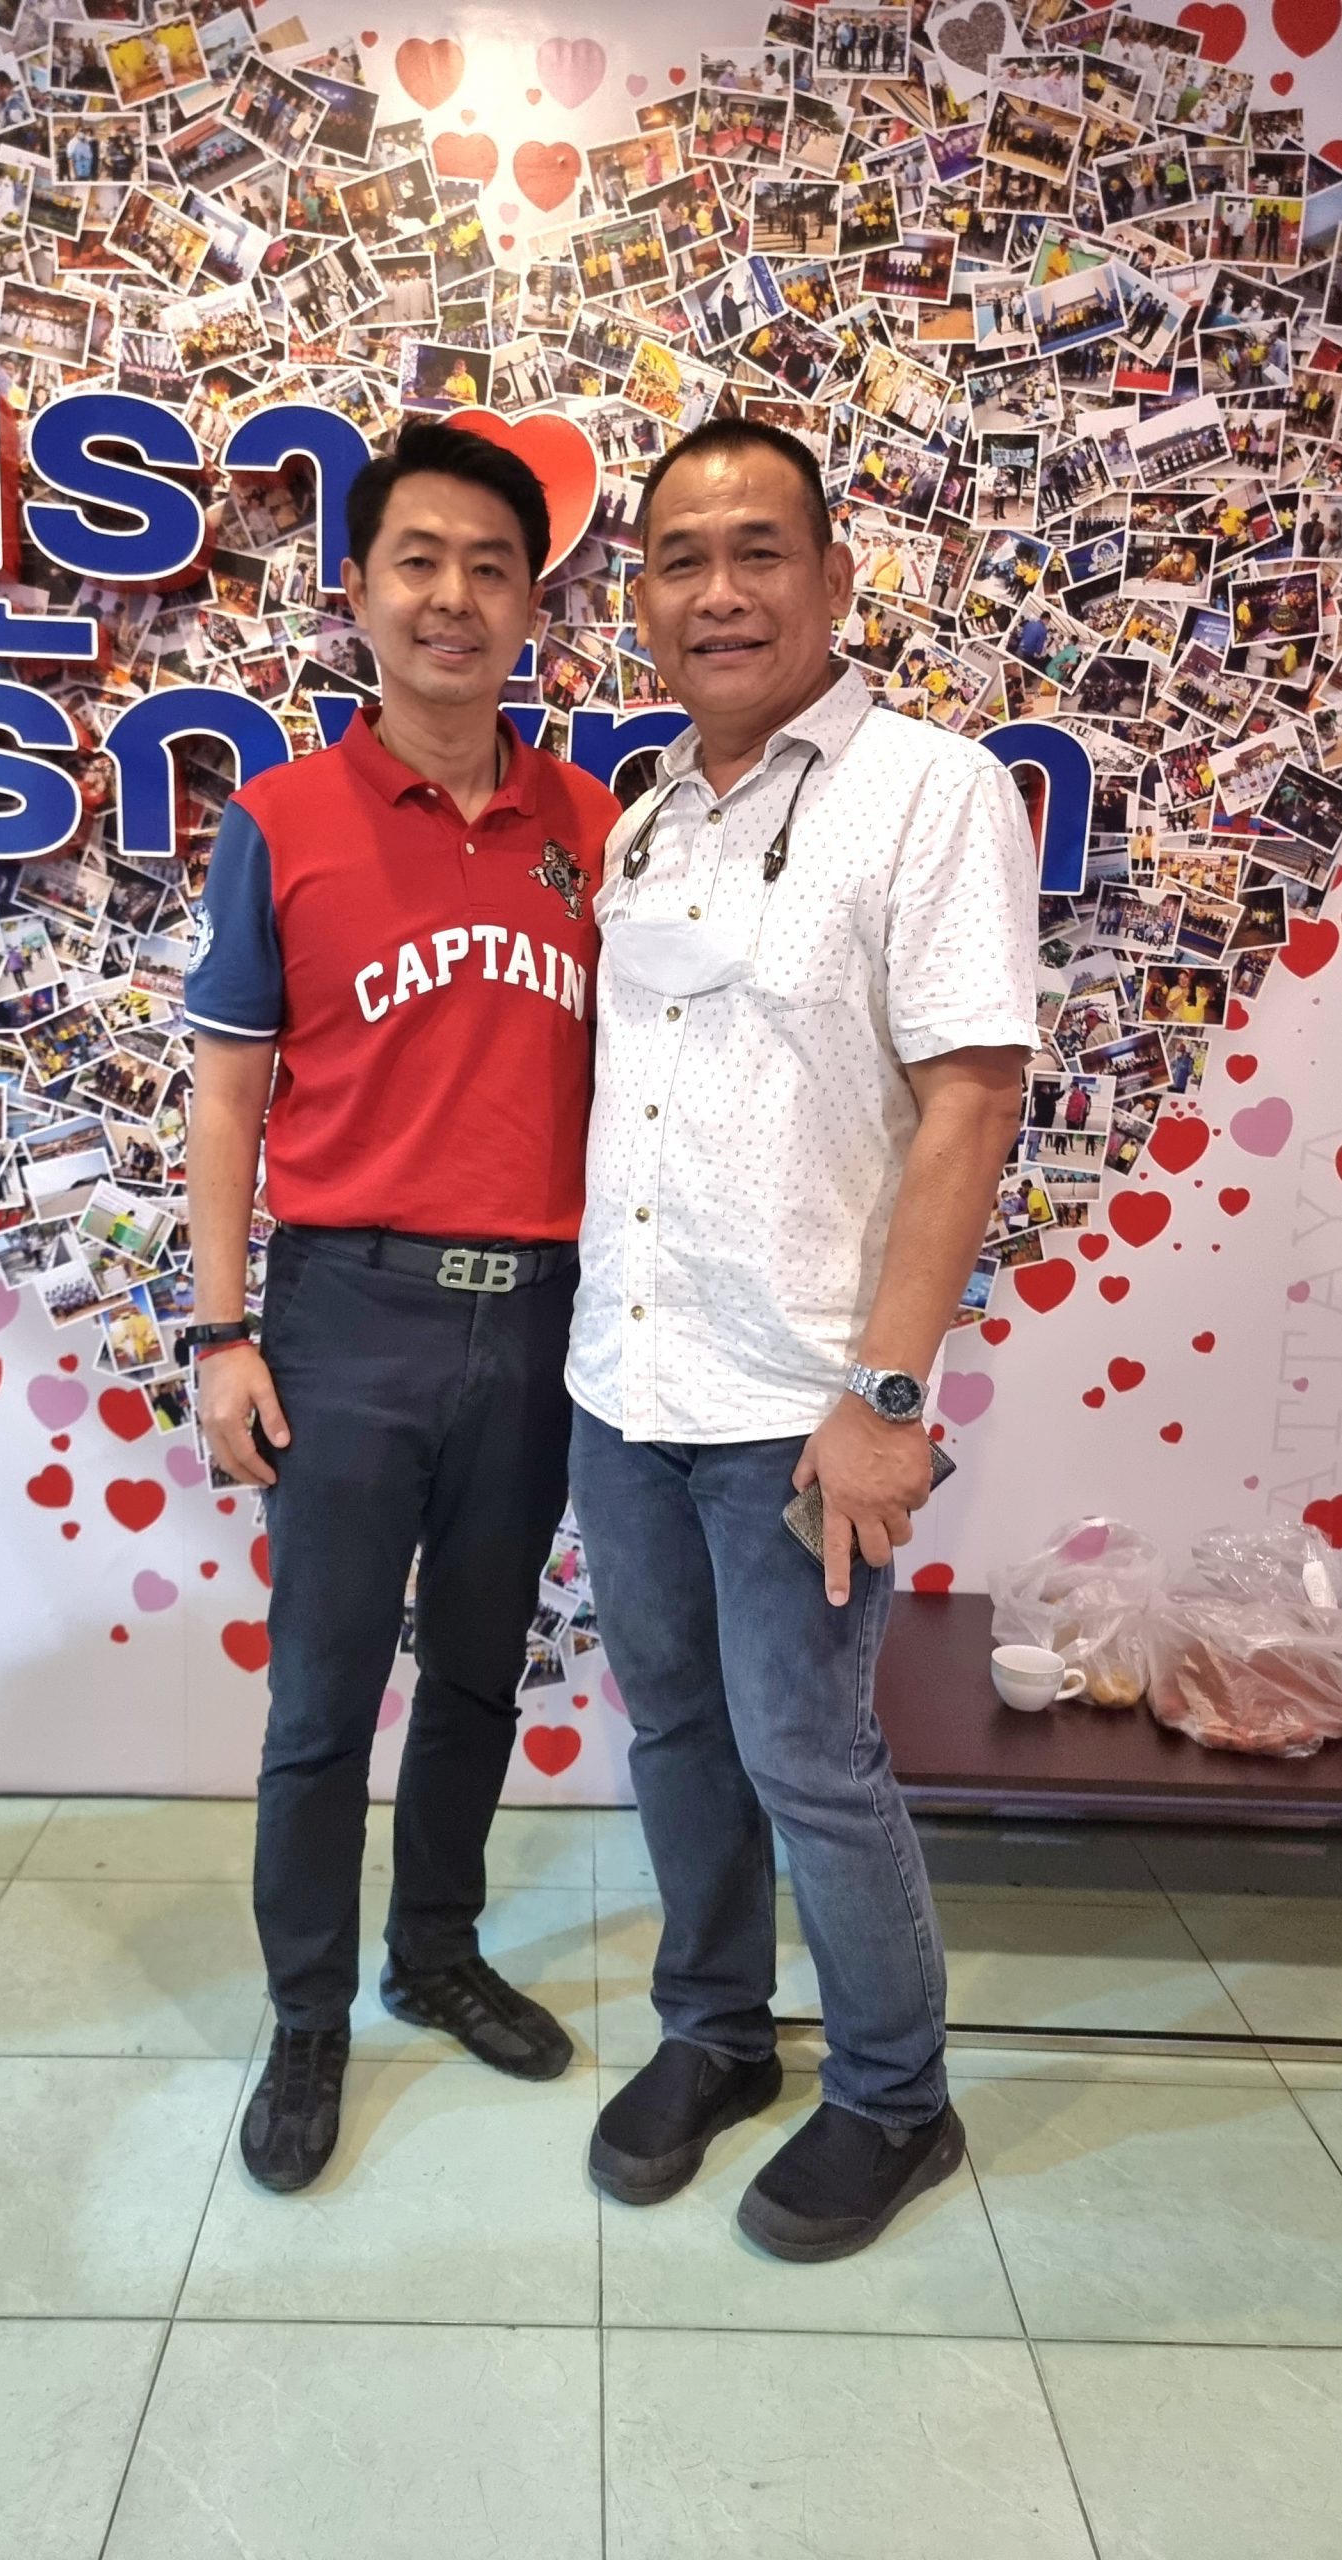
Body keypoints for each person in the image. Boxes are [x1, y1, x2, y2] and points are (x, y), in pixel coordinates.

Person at [565, 419, 1039, 2263]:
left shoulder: (931, 793)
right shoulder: (646, 818)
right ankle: (712, 2031)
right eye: (678, 560)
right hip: (628, 1379)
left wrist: (884, 1396)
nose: (718, 592)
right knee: (676, 1731)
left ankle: (895, 2098)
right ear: (641, 604)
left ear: (833, 580)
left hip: (801, 1402)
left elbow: (970, 1102)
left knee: (807, 1756)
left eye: (757, 551)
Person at [183, 423, 620, 2193]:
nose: (453, 597)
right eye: (418, 561)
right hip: (345, 1316)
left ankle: (431, 1949)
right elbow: (227, 1090)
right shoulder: (283, 821)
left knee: (477, 1672)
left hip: (542, 1321)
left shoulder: (596, 828)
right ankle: (307, 2015)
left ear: (531, 604)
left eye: (490, 567)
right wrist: (220, 1333)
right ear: (355, 590)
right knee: (322, 1698)